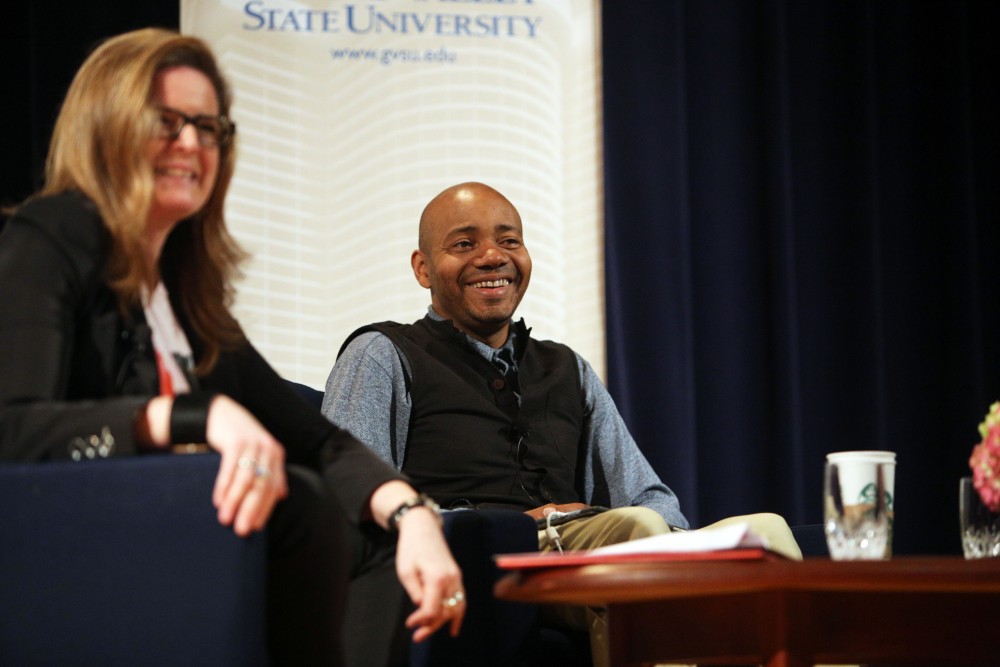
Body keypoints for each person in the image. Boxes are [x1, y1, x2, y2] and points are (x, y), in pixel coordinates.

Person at [0, 29, 464, 666]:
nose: (190, 143)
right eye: (165, 121)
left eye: (207, 126)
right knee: (302, 506)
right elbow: (11, 427)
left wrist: (413, 514)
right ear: (107, 125)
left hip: (175, 535)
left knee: (373, 531)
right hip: (70, 544)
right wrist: (185, 415)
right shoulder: (50, 237)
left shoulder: (186, 296)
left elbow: (320, 440)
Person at [322, 181, 801, 666]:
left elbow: (650, 499)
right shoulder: (382, 354)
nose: (492, 257)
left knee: (768, 532)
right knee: (635, 528)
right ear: (423, 269)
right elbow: (347, 502)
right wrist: (502, 525)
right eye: (464, 244)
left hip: (584, 553)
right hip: (484, 561)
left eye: (509, 241)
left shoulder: (567, 368)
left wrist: (702, 554)